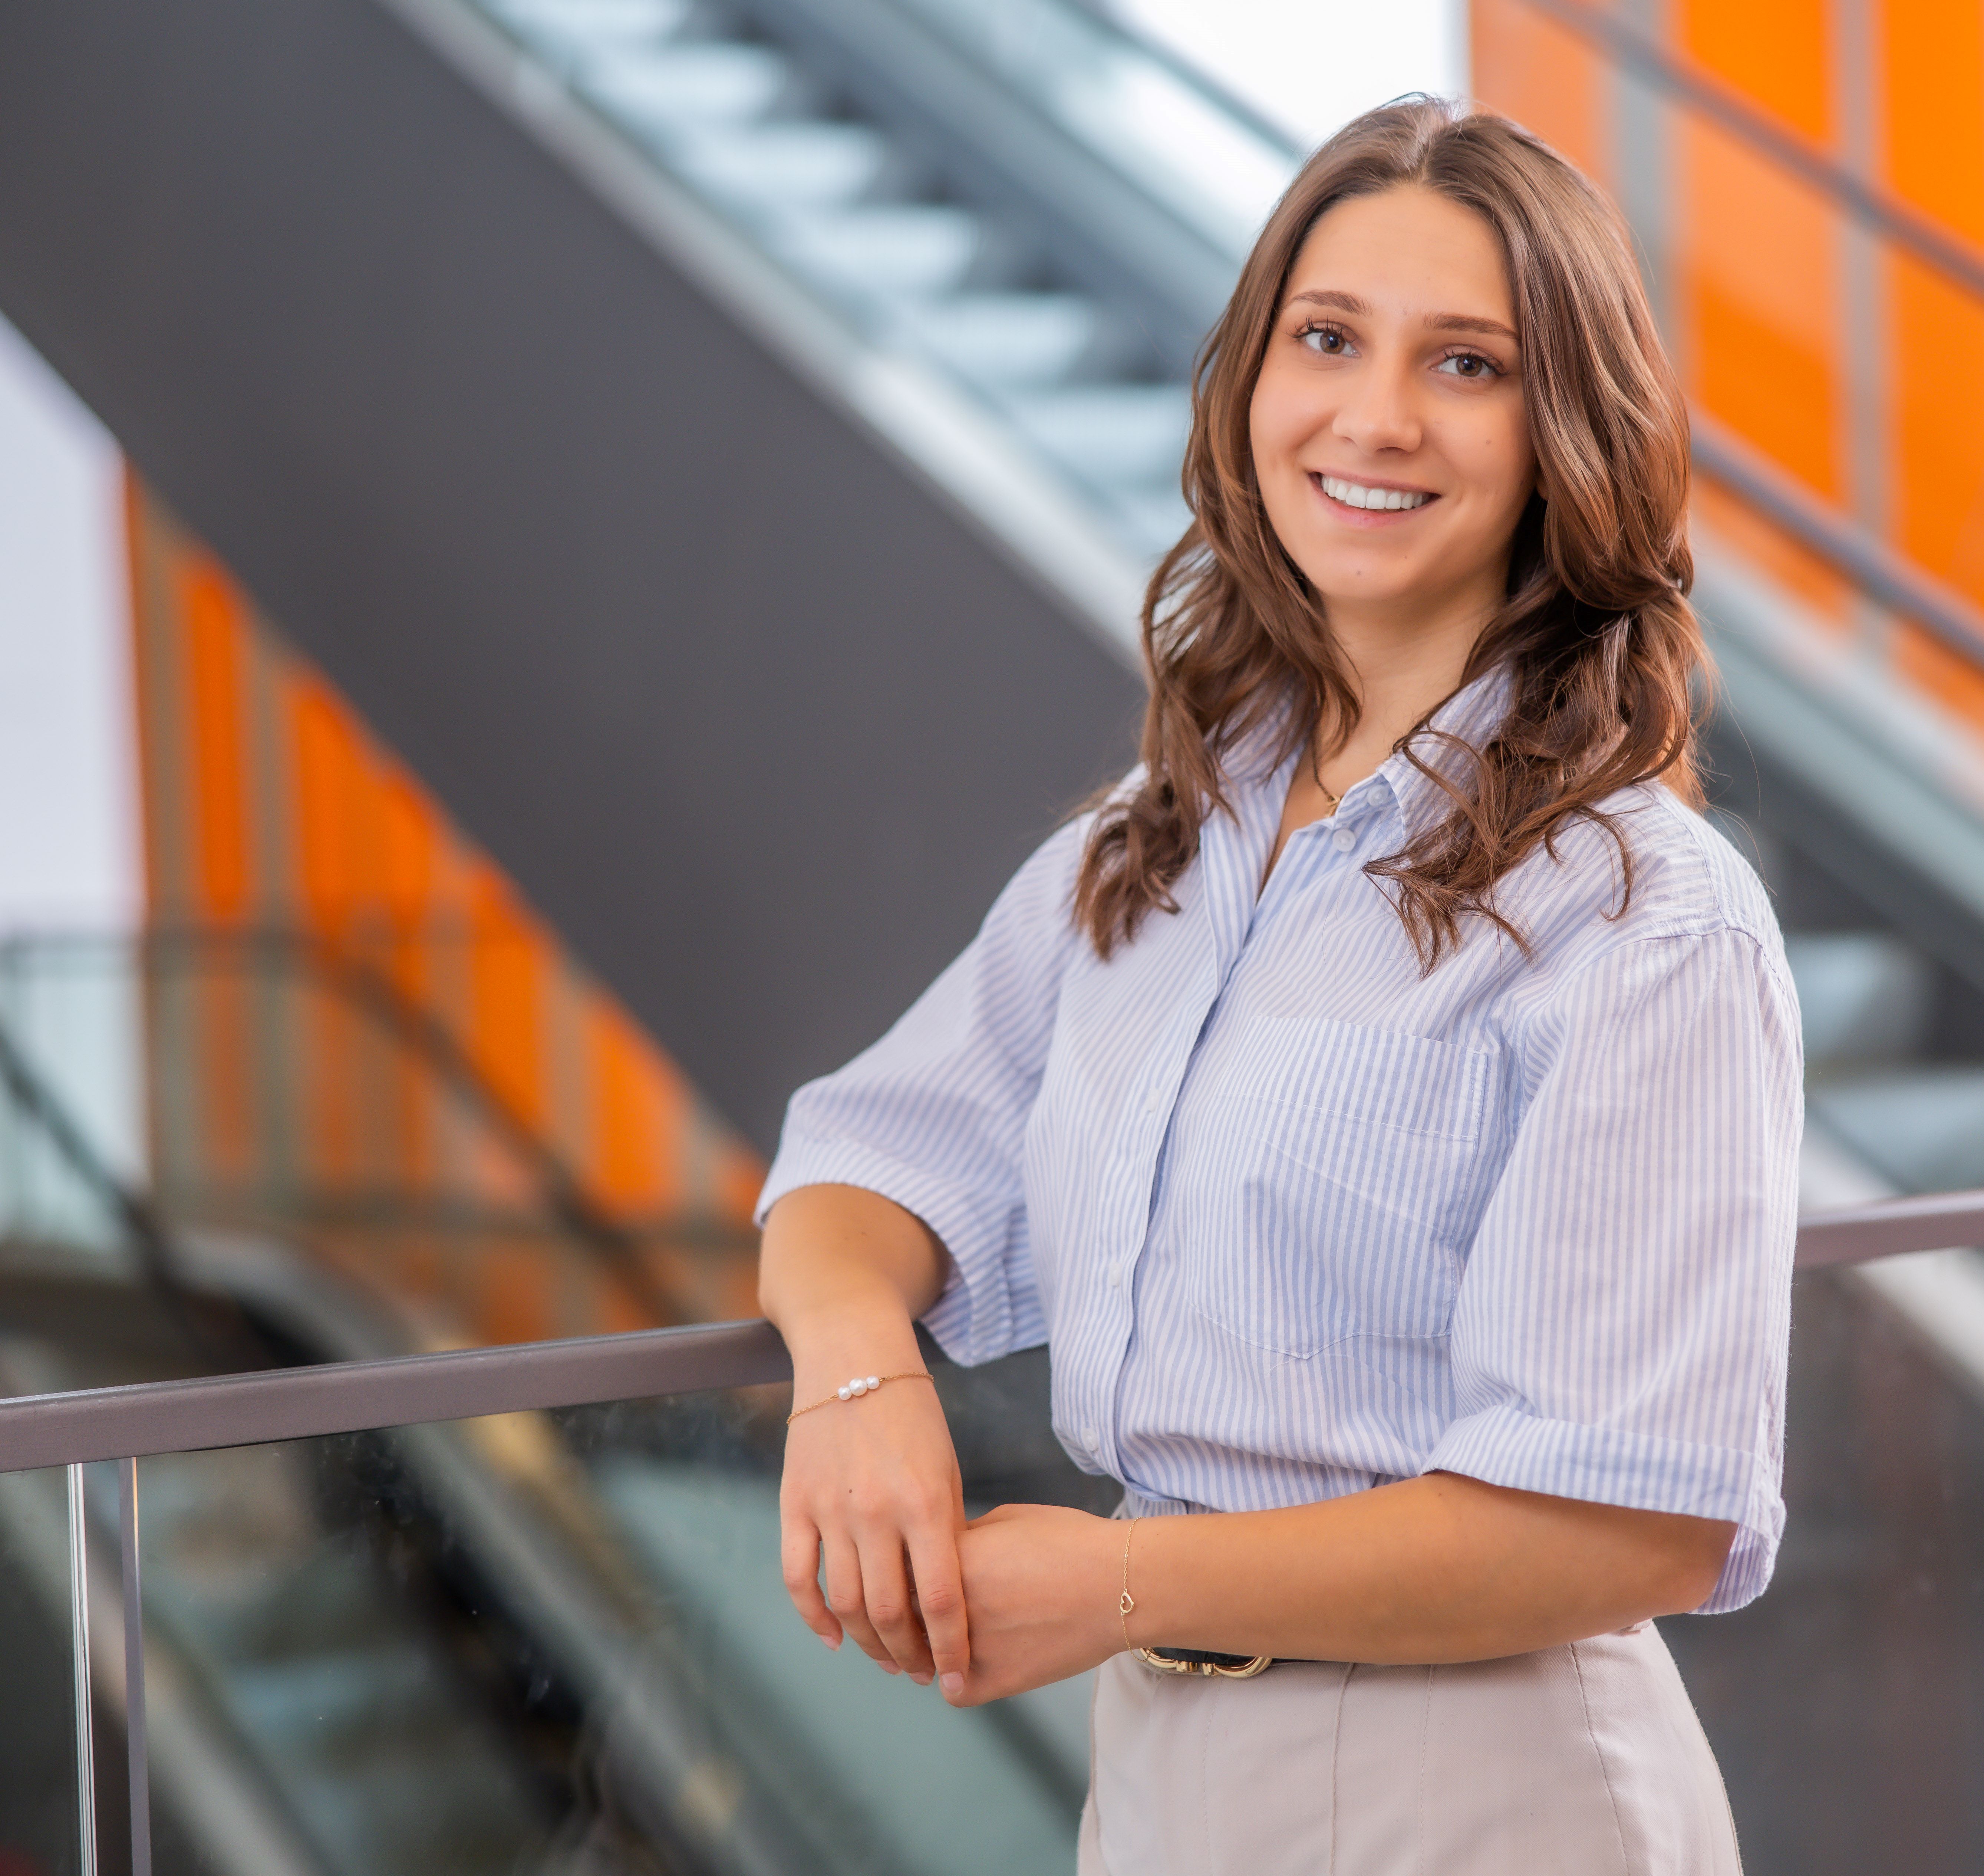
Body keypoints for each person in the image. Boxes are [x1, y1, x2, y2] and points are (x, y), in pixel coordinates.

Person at [754, 97, 1800, 1873]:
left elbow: (1636, 1524)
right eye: (1326, 338)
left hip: (1481, 1788)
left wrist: (1113, 1577)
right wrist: (856, 1382)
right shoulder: (1159, 843)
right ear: (1249, 383)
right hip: (1165, 1765)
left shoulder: (1644, 916)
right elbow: (865, 1156)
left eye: (1464, 364)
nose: (1373, 415)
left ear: (1564, 437)